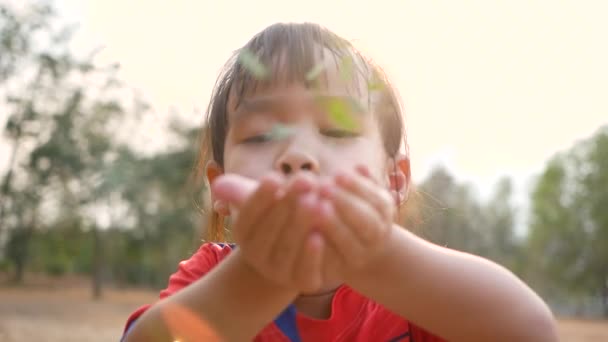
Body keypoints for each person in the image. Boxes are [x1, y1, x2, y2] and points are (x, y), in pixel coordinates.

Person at [122, 22, 558, 342]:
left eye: (337, 131)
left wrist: (374, 258)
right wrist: (260, 277)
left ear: (394, 180)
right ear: (220, 186)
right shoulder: (210, 276)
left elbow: (531, 332)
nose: (297, 156)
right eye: (259, 136)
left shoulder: (418, 294)